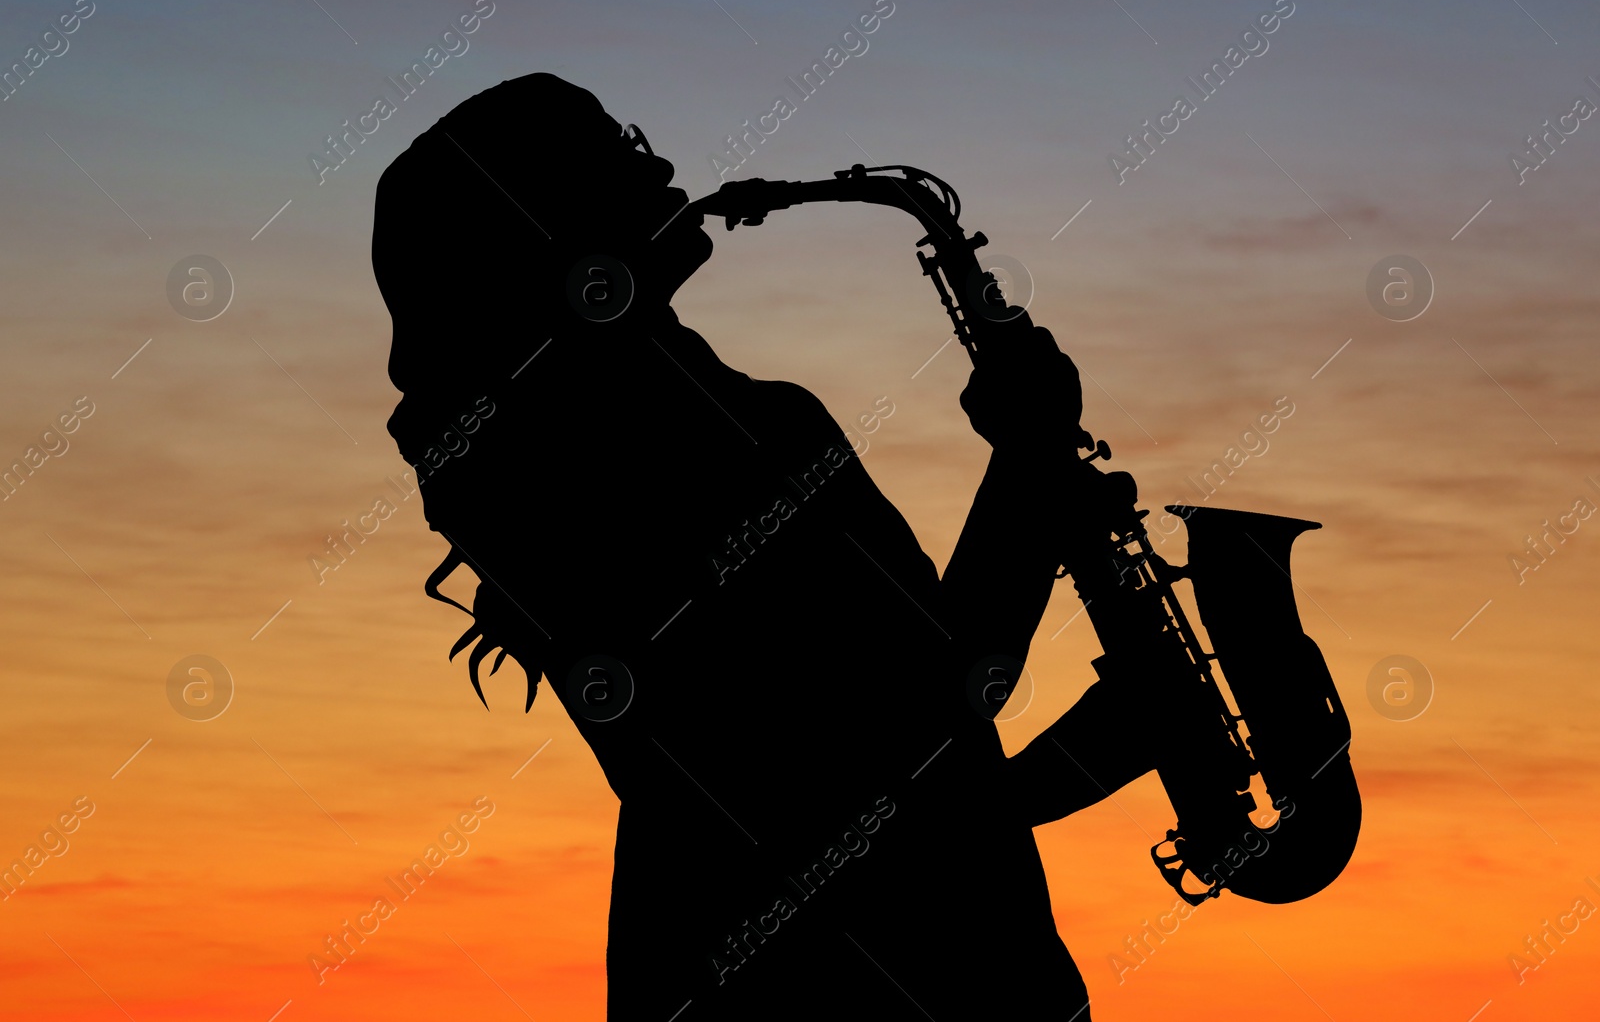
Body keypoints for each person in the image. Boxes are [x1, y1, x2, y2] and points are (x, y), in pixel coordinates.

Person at [372, 72, 1152, 1020]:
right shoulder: (696, 446)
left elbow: (854, 789)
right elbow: (914, 712)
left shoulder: (525, 471)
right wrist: (1028, 464)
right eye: (612, 152)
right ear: (546, 226)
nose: (656, 163)